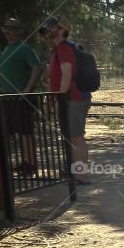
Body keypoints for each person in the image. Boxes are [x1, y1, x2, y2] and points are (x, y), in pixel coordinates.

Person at [39, 15, 91, 180]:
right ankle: (72, 171)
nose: (47, 30)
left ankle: (82, 176)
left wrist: (58, 99)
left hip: (73, 99)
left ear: (62, 30)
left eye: (52, 27)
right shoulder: (56, 50)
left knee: (76, 137)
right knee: (70, 137)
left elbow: (66, 76)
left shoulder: (64, 49)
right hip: (67, 98)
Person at [0, 16, 44, 174]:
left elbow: (37, 67)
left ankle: (31, 163)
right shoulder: (6, 49)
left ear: (18, 31)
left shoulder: (24, 48)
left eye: (11, 29)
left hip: (22, 98)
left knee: (26, 132)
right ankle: (25, 162)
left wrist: (27, 88)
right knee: (17, 132)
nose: (8, 32)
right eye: (6, 29)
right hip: (7, 98)